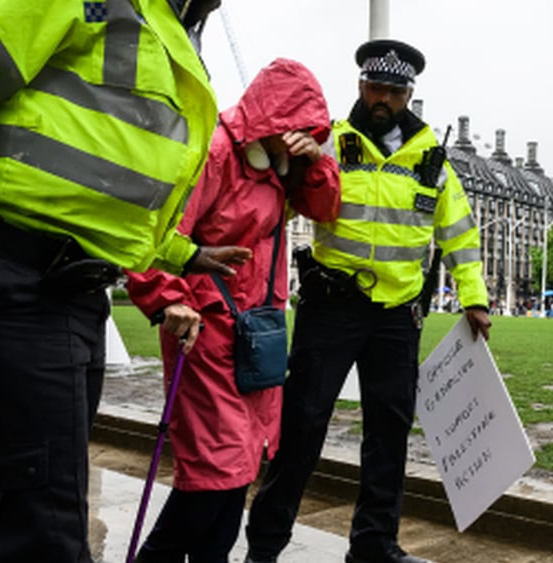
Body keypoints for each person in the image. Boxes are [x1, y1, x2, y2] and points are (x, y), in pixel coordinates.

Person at [0, 2, 248, 562]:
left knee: (3, 517)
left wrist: (183, 252)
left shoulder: (162, 19)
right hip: (10, 279)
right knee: (37, 534)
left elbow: (92, 176)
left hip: (51, 287)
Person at [244, 39, 491, 563]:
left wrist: (475, 299)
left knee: (389, 434)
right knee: (302, 427)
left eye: (395, 91)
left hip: (398, 316)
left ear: (409, 95)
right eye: (376, 87)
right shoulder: (329, 141)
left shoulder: (432, 161)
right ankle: (265, 546)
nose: (384, 99)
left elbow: (461, 235)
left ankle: (375, 544)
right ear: (361, 85)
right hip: (332, 306)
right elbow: (280, 204)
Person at [125, 58, 340, 563]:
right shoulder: (218, 151)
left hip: (252, 340)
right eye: (295, 126)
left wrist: (314, 161)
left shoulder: (276, 168)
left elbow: (327, 206)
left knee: (234, 475)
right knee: (214, 478)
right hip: (204, 333)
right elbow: (157, 229)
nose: (297, 137)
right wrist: (167, 296)